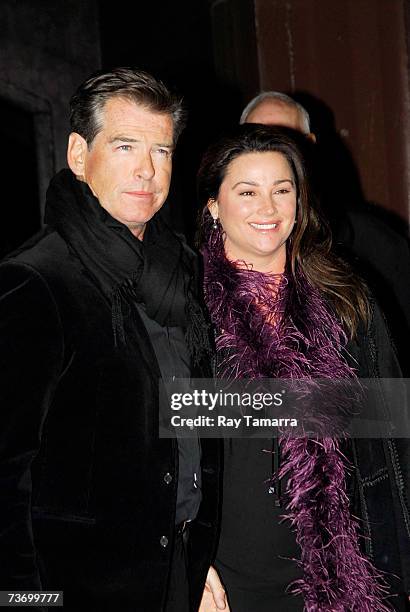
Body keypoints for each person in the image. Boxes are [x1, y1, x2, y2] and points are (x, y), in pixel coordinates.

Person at [0, 67, 224, 612]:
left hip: (177, 571)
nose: (147, 170)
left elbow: (198, 417)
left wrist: (351, 411)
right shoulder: (36, 281)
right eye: (125, 146)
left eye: (163, 151)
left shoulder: (181, 270)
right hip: (79, 590)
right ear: (79, 155)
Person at [197, 124, 410, 611]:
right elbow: (169, 424)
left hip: (350, 562)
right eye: (246, 192)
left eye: (282, 190)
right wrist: (190, 564)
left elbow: (393, 428)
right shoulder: (184, 303)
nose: (267, 208)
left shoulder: (345, 296)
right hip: (231, 571)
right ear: (214, 206)